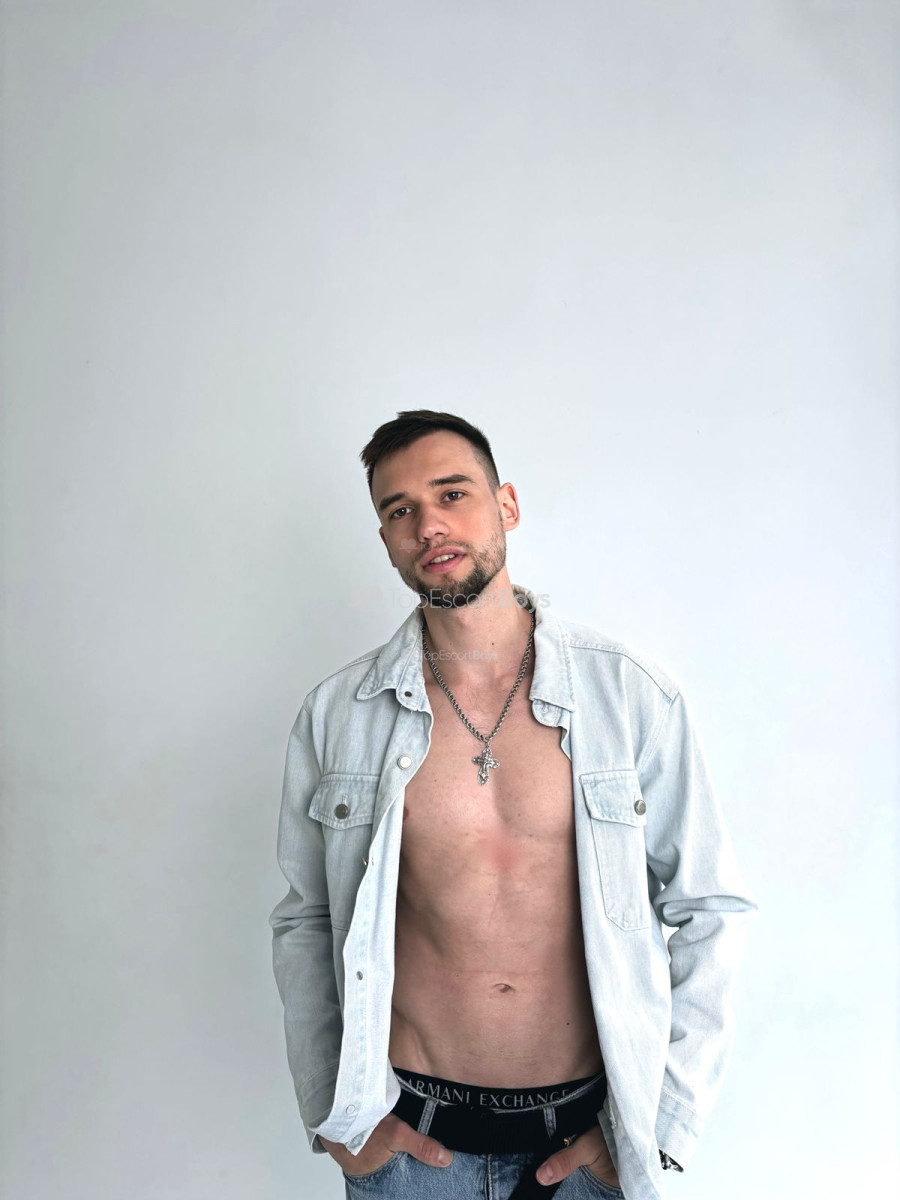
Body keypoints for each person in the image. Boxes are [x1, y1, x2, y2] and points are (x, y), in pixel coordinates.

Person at [268, 410, 759, 1200]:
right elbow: (307, 920)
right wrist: (339, 1120)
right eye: (399, 510)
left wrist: (662, 1127)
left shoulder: (629, 696)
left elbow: (710, 907)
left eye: (452, 493)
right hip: (409, 1153)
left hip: (589, 1147)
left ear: (507, 505)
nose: (429, 524)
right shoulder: (339, 716)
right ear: (386, 539)